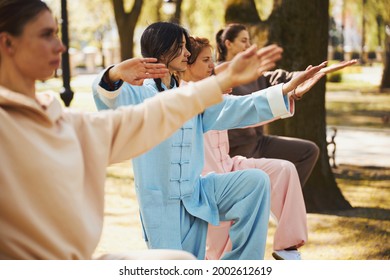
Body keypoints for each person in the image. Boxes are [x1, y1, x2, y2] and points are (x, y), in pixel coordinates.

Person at [0, 0, 262, 260]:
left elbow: (150, 118)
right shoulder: (11, 124)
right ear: (7, 43)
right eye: (47, 34)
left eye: (57, 33)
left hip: (183, 202)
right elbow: (135, 114)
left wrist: (225, 83)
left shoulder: (61, 118)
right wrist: (113, 77)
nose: (61, 46)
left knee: (181, 261)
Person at [93, 21, 327, 260]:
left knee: (256, 182)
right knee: (179, 265)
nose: (187, 53)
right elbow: (108, 101)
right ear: (162, 49)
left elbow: (237, 107)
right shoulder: (138, 93)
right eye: (181, 47)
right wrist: (114, 73)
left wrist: (286, 90)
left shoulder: (190, 95)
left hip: (198, 192)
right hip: (163, 204)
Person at [181, 36, 330, 260]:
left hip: (229, 166)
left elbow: (248, 110)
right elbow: (242, 107)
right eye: (205, 61)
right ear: (187, 65)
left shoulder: (211, 92)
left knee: (285, 170)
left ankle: (286, 247)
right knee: (220, 246)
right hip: (206, 180)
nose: (211, 65)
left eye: (212, 60)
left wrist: (291, 92)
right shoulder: (182, 99)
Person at [216, 23, 357, 187]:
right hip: (239, 149)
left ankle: (283, 199)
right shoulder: (219, 75)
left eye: (249, 41)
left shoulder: (253, 74)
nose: (248, 46)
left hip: (259, 141)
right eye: (243, 41)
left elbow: (281, 77)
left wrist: (315, 73)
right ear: (228, 43)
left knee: (309, 151)